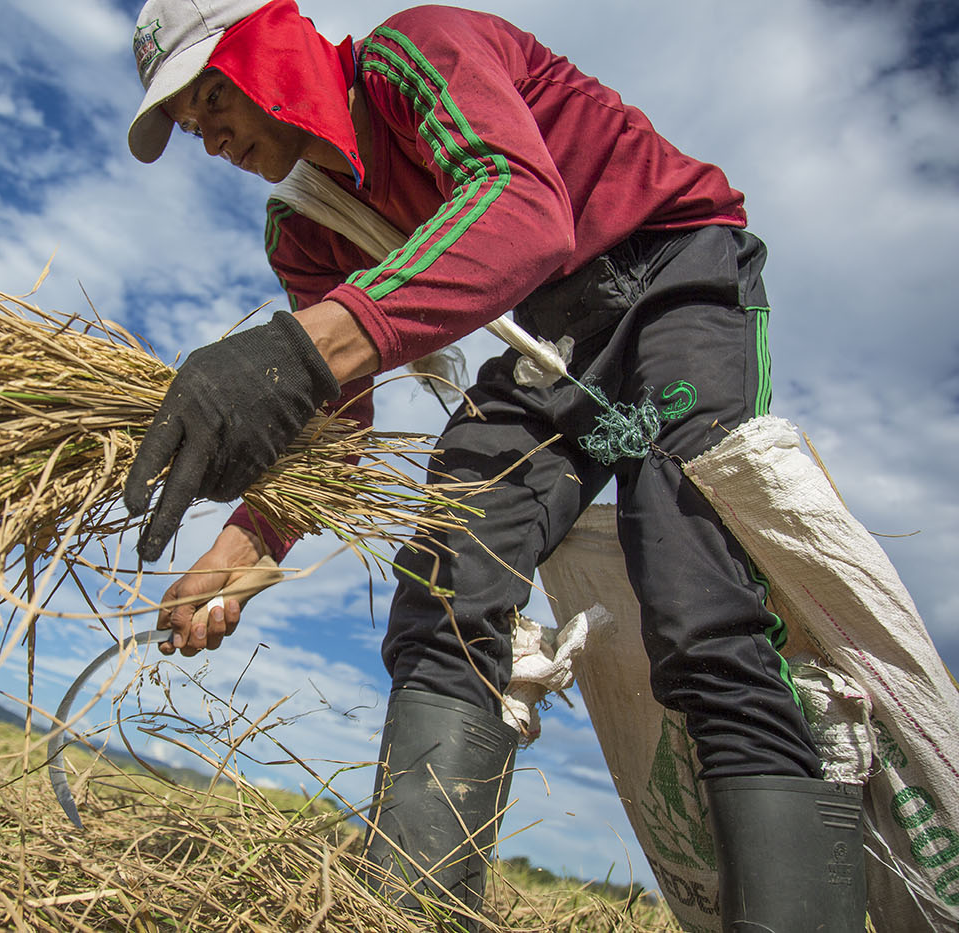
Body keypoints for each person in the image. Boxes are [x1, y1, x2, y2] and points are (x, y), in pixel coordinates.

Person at [121, 2, 867, 930]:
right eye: (188, 123)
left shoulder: (414, 54)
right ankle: (408, 911)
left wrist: (300, 348)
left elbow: (521, 208)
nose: (206, 137)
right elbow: (337, 411)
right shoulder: (306, 227)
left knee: (698, 594)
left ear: (267, 47)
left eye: (210, 97)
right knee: (444, 578)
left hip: (672, 270)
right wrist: (243, 541)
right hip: (549, 340)